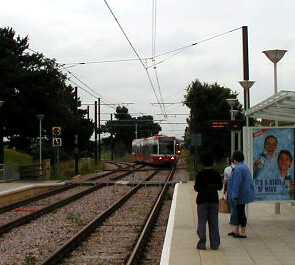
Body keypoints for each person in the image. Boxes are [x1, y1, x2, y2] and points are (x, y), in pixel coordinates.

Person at [194, 152, 223, 250]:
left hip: (202, 201)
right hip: (213, 200)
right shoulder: (216, 173)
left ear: (203, 163)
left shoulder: (200, 174)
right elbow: (220, 187)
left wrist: (204, 187)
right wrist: (212, 186)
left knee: (201, 222)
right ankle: (214, 244)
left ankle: (202, 243)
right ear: (212, 163)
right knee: (214, 223)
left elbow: (196, 188)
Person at [228, 151, 255, 238]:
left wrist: (234, 195)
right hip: (243, 194)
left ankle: (243, 232)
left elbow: (236, 183)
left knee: (240, 213)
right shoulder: (244, 167)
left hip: (240, 195)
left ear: (235, 159)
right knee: (238, 212)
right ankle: (236, 230)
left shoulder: (238, 169)